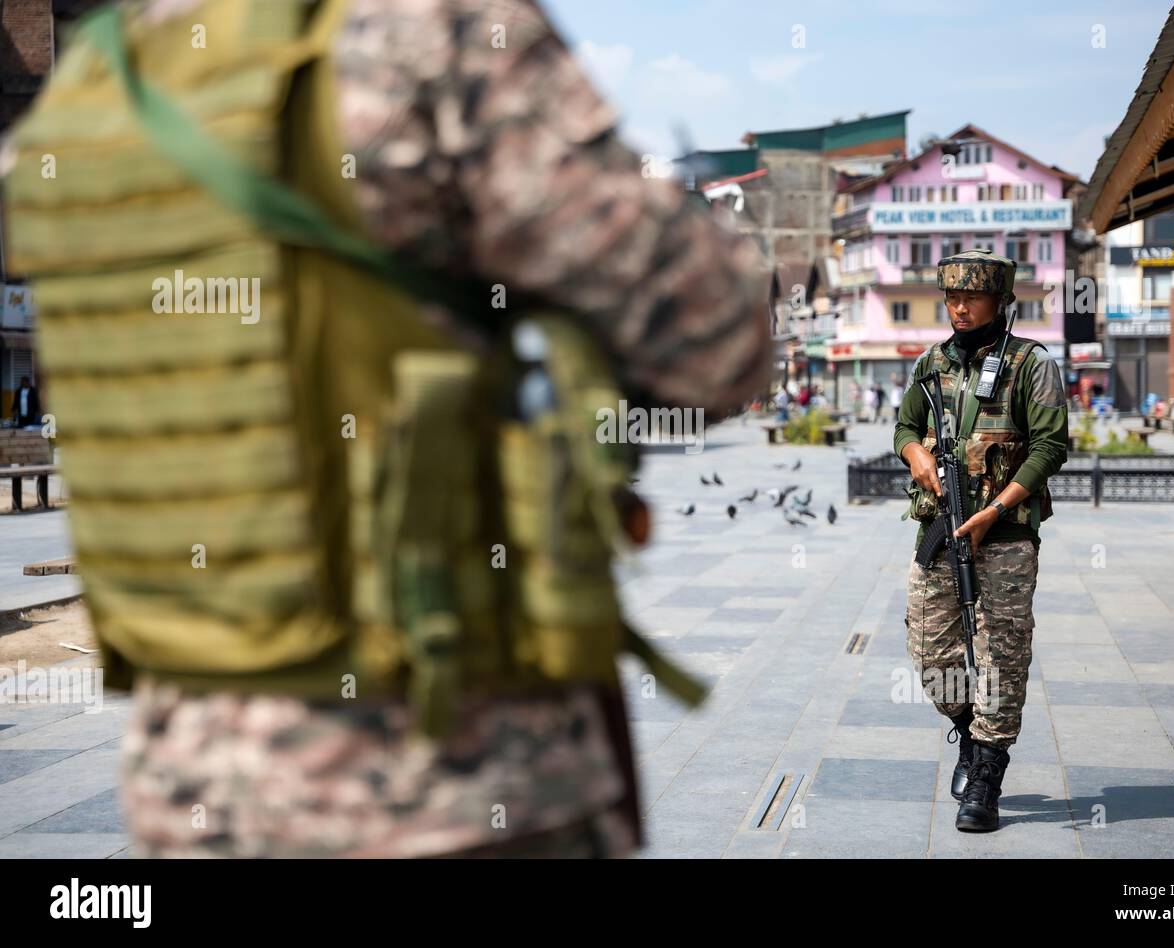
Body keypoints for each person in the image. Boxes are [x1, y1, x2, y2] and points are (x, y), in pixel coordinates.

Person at [2, 0, 770, 858]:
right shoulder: (423, 29)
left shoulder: (97, 77)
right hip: (444, 772)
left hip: (187, 784)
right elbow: (717, 344)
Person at [894, 249, 1068, 832]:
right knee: (929, 649)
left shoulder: (1030, 364)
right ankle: (971, 729)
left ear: (1001, 302)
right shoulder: (931, 362)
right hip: (939, 529)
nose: (959, 307)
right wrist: (916, 454)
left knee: (1002, 654)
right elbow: (904, 426)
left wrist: (996, 509)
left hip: (1006, 536)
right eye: (951, 297)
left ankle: (986, 777)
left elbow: (1050, 447)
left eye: (971, 297)